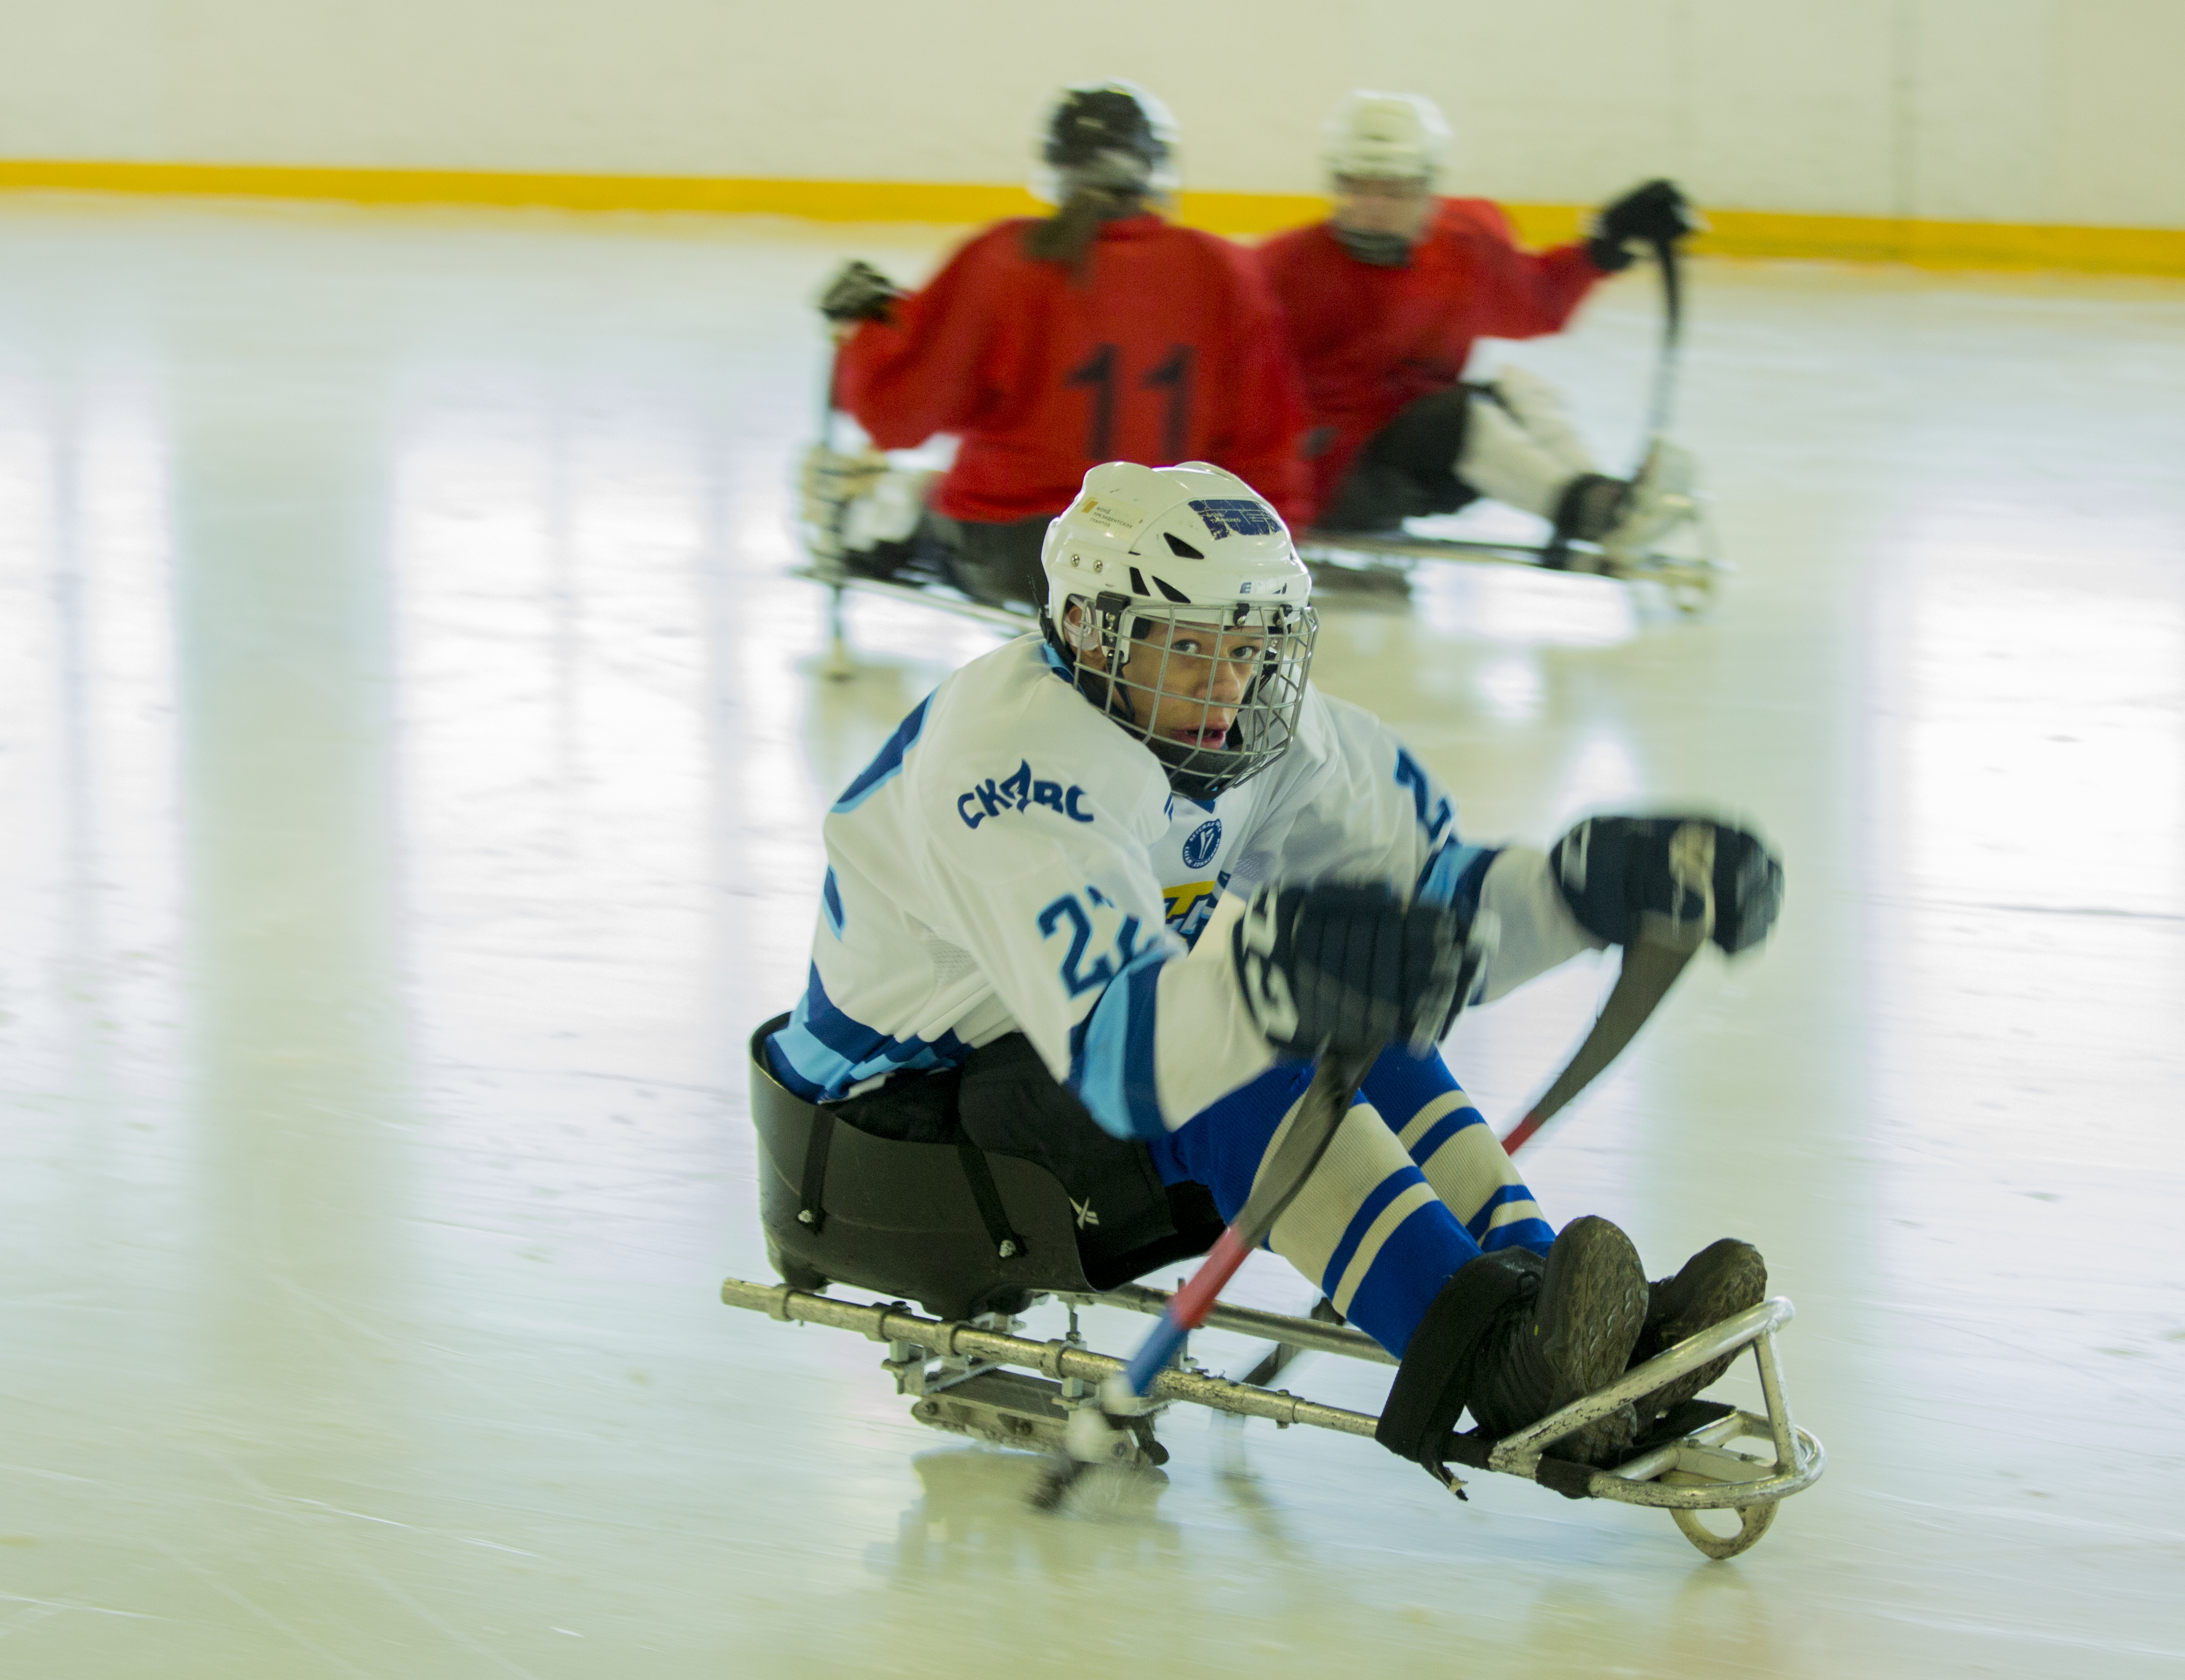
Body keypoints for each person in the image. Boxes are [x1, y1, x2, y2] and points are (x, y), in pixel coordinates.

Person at [764, 459, 1784, 1468]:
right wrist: (1273, 973)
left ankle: (1552, 1307)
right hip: (899, 1127)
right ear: (1087, 627)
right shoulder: (1013, 767)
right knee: (1252, 1041)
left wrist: (1582, 890)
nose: (1234, 682)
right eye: (1194, 648)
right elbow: (1126, 1057)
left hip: (1039, 1072)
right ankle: (1500, 1361)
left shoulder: (1262, 731)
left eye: (1254, 645)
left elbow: (1434, 905)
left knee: (1354, 1006)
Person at [808, 82, 1311, 615]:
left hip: (1023, 557)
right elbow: (1269, 442)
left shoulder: (1003, 259)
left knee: (927, 502)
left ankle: (892, 539)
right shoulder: (1225, 271)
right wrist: (1258, 562)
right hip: (1179, 565)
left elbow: (900, 416)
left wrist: (867, 330)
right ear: (1154, 169)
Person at [1256, 90, 1696, 564]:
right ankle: (1588, 514)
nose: (1373, 207)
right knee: (1457, 416)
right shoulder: (1286, 268)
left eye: (1394, 190)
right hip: (1330, 479)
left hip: (1416, 464)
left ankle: (1603, 499)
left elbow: (1536, 301)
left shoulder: (1462, 247)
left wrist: (1603, 249)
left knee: (1516, 387)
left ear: (1428, 187)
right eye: (1358, 187)